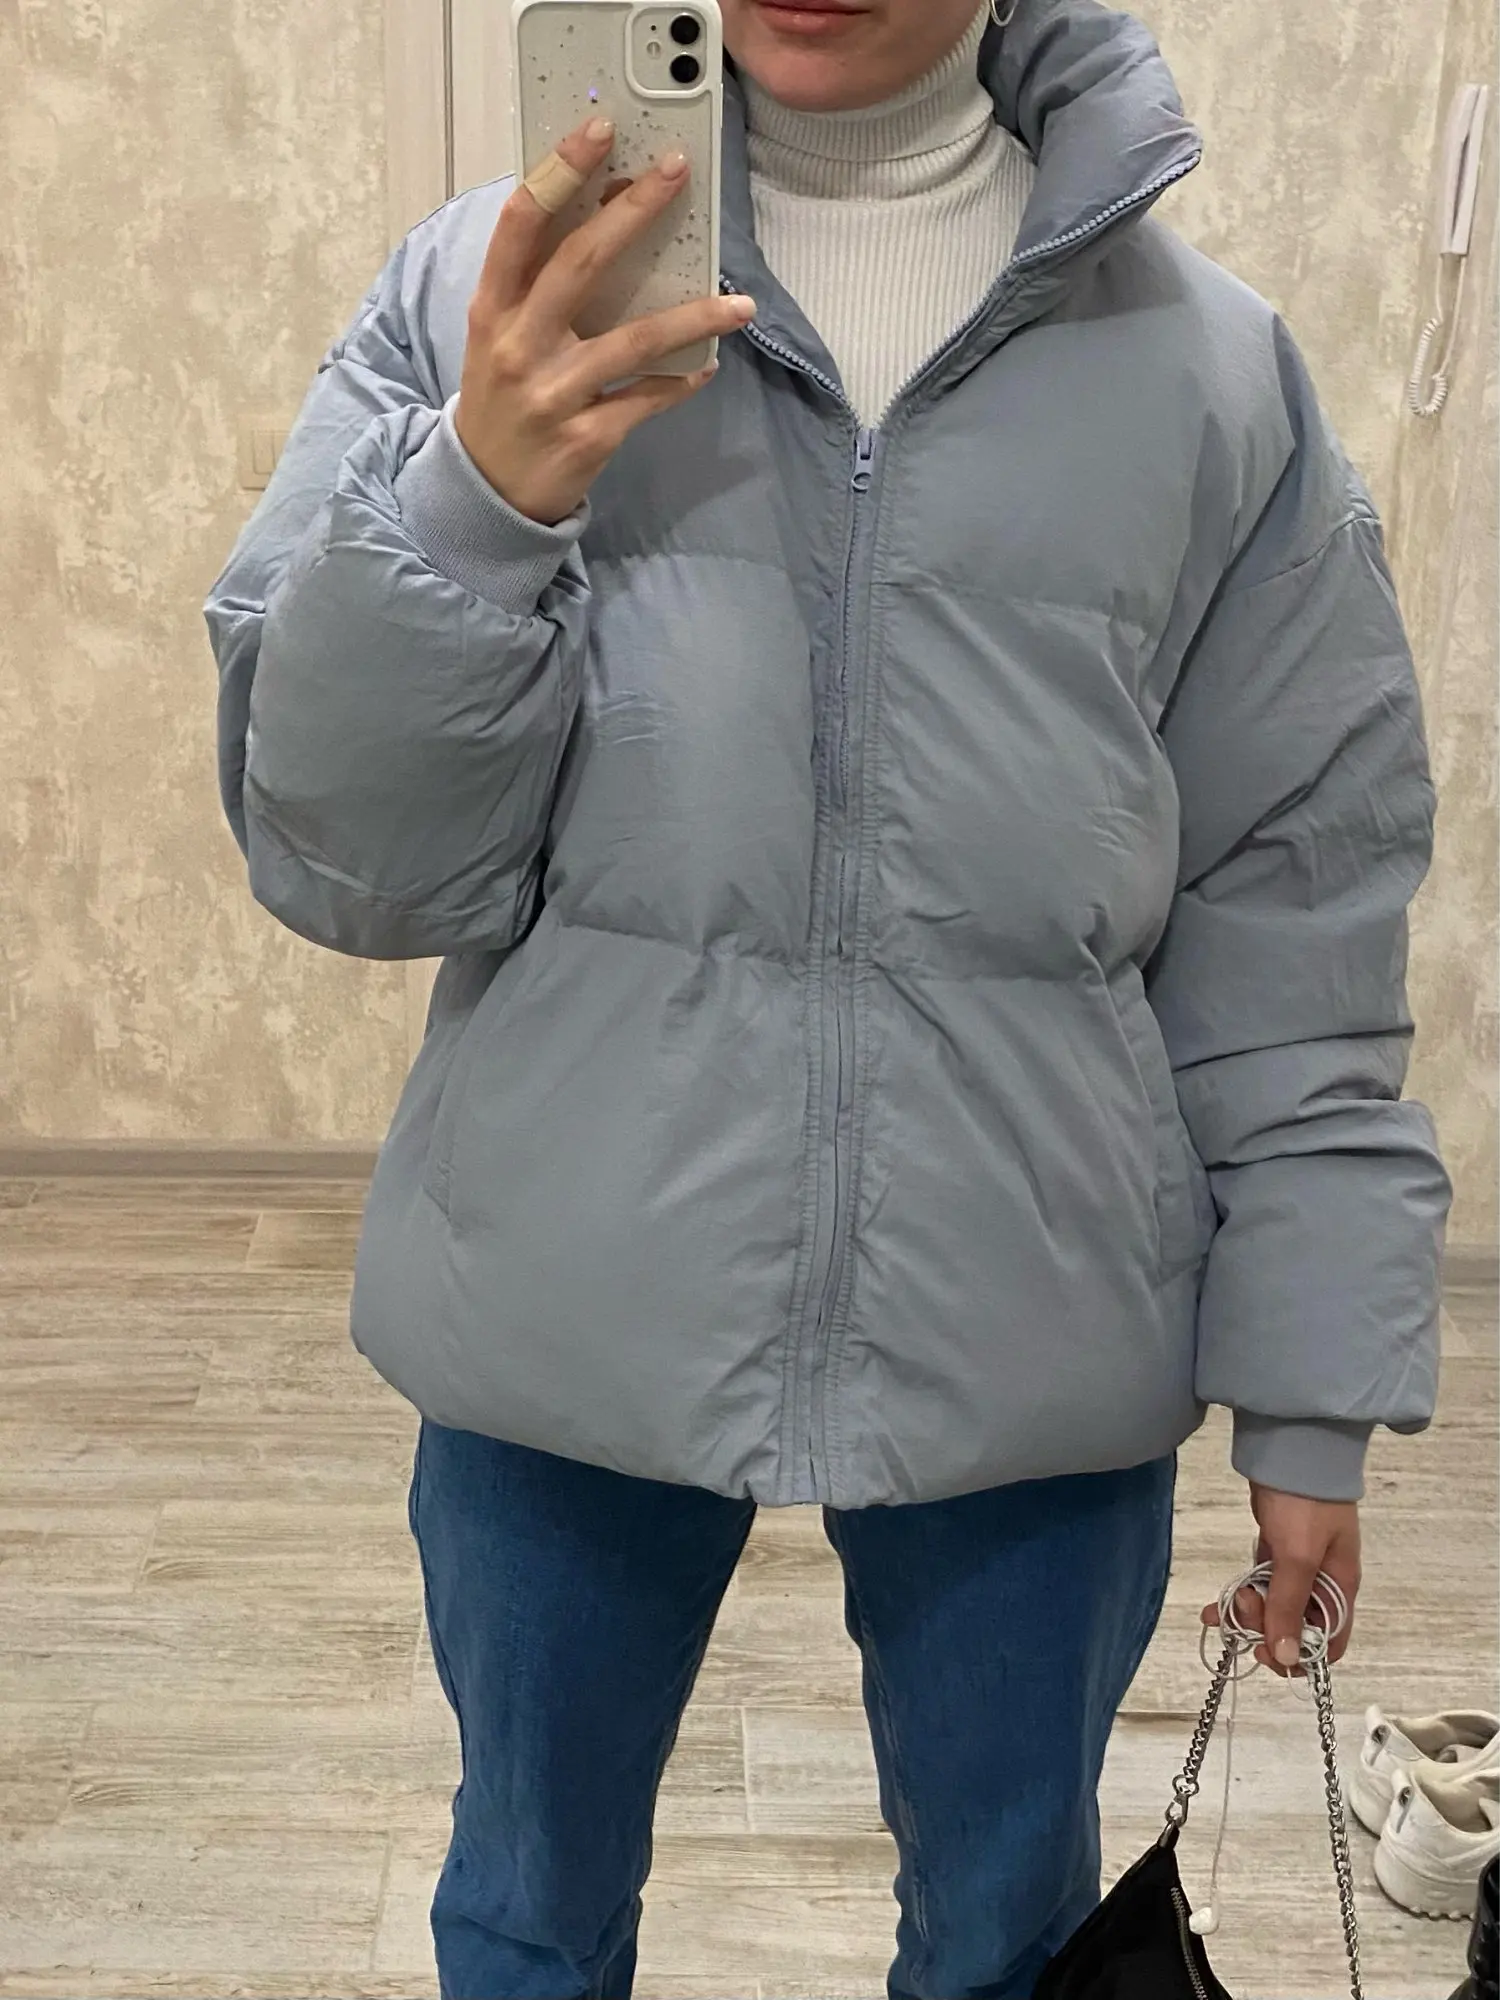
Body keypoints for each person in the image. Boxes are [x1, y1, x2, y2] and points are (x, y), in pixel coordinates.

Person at [204, 0, 1453, 1992]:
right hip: (564, 1282)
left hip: (1036, 1306)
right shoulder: (488, 293)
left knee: (1008, 1936)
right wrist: (471, 508)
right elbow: (352, 862)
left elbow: (1295, 908)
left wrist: (1313, 1384)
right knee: (526, 1911)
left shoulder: (1209, 374)